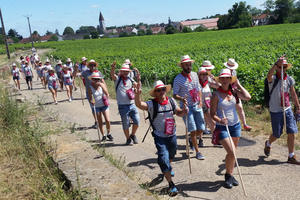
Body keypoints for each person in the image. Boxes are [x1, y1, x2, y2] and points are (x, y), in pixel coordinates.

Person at [135, 78, 188, 197]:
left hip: (172, 135)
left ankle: (167, 167)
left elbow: (178, 112)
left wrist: (184, 111)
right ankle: (171, 184)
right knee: (164, 158)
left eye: (163, 89)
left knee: (172, 154)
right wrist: (137, 95)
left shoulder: (171, 101)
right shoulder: (152, 104)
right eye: (159, 90)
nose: (162, 92)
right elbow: (139, 104)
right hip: (160, 137)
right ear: (155, 92)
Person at [210, 68, 251, 189]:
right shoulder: (216, 94)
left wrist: (238, 84)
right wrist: (220, 120)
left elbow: (248, 97)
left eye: (227, 78)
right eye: (222, 78)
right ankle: (228, 175)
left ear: (230, 79)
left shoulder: (234, 92)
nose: (224, 80)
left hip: (236, 125)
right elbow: (212, 113)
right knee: (232, 151)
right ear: (220, 79)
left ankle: (229, 175)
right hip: (222, 127)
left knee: (232, 153)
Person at [264, 57, 300, 165]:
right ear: (276, 68)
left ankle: (291, 156)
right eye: (280, 67)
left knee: (292, 131)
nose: (282, 69)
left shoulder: (289, 79)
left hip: (287, 108)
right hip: (275, 110)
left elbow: (293, 94)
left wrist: (298, 107)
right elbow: (268, 76)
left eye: (284, 67)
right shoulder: (273, 79)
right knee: (277, 133)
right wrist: (275, 64)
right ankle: (268, 143)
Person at [173, 55, 205, 160]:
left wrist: (200, 101)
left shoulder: (195, 75)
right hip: (187, 108)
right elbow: (174, 94)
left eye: (190, 64)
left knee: (201, 129)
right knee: (193, 129)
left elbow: (199, 89)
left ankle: (192, 139)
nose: (189, 66)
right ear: (182, 65)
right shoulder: (178, 79)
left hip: (197, 105)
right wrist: (182, 99)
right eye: (186, 65)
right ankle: (197, 152)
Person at [110, 62, 140, 145]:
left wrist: (136, 86)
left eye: (127, 71)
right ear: (121, 71)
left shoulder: (130, 79)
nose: (125, 72)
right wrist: (112, 68)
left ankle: (133, 135)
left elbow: (136, 85)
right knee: (126, 123)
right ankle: (128, 139)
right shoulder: (118, 79)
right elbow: (112, 75)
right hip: (122, 105)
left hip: (132, 104)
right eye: (124, 71)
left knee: (137, 121)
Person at [224, 58, 252, 131]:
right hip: (227, 92)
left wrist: (237, 87)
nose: (231, 69)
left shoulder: (234, 72)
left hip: (234, 90)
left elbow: (235, 82)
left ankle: (244, 124)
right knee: (228, 109)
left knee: (240, 107)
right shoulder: (224, 72)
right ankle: (228, 125)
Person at [87, 72, 113, 141]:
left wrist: (101, 86)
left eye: (98, 79)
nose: (96, 81)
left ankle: (109, 133)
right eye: (95, 79)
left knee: (107, 120)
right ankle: (103, 135)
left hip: (104, 105)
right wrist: (91, 101)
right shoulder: (90, 87)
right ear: (92, 80)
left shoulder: (102, 85)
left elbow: (107, 94)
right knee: (100, 121)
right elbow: (90, 97)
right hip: (97, 106)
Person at [82, 59, 103, 129]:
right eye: (91, 65)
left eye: (94, 65)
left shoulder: (98, 73)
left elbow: (102, 81)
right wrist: (75, 69)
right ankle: (96, 121)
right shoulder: (85, 72)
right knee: (93, 108)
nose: (93, 66)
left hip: (98, 93)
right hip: (90, 93)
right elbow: (75, 75)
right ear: (89, 66)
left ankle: (99, 120)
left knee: (100, 107)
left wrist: (105, 91)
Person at [198, 67, 215, 135]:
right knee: (201, 121)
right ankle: (199, 138)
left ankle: (215, 137)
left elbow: (219, 86)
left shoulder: (208, 82)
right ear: (199, 75)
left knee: (211, 121)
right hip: (199, 104)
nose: (204, 76)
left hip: (208, 104)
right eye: (202, 74)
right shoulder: (196, 83)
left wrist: (214, 79)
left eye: (205, 74)